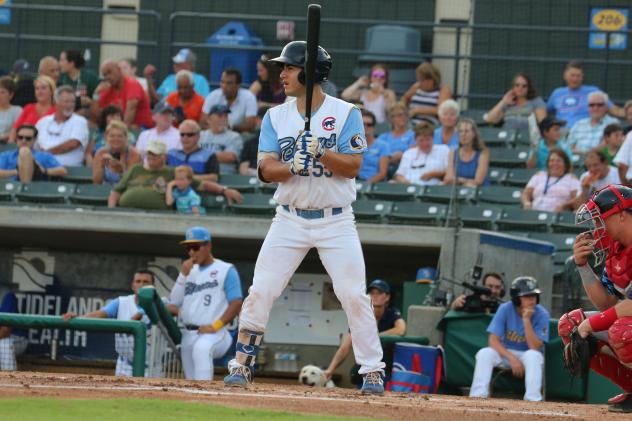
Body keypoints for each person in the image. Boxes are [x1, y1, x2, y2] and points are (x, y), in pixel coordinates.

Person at [223, 41, 387, 394]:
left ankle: (372, 370)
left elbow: (354, 166)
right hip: (289, 218)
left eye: (289, 67)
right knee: (262, 290)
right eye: (281, 68)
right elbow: (265, 169)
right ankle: (243, 363)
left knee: (353, 295)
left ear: (311, 73)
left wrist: (322, 152)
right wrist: (291, 165)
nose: (281, 74)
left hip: (336, 220)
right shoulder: (275, 116)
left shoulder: (346, 113)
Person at [559, 185, 632, 412]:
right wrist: (583, 266)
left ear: (622, 215)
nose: (597, 225)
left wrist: (589, 325)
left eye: (601, 218)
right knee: (570, 325)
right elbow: (608, 305)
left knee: (622, 331)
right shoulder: (617, 249)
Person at [167, 227, 243, 380]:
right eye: (188, 248)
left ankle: (206, 397)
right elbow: (173, 302)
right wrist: (183, 275)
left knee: (202, 349)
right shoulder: (188, 272)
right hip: (188, 333)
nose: (192, 253)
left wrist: (215, 326)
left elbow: (236, 302)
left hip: (215, 332)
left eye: (195, 247)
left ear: (208, 246)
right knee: (190, 379)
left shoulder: (225, 269)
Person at [62, 269, 158, 377]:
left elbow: (172, 309)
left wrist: (142, 311)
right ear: (133, 285)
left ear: (153, 287)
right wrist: (78, 318)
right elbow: (100, 314)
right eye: (138, 281)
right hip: (125, 367)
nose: (141, 285)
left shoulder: (161, 304)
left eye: (146, 282)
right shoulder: (121, 302)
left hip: (152, 369)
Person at [469, 276, 549, 401]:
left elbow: (535, 347)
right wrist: (511, 358)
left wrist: (526, 320)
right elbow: (493, 340)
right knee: (485, 353)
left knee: (534, 356)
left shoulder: (542, 313)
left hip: (527, 355)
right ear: (517, 299)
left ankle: (533, 400)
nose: (532, 300)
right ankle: (478, 396)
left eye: (534, 296)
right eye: (528, 296)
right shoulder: (505, 308)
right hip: (507, 354)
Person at [108, 140, 241, 211]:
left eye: (155, 154)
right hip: (127, 211)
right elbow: (116, 192)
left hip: (158, 216)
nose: (151, 157)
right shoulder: (136, 169)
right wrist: (111, 211)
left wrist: (224, 190)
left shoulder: (173, 172)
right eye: (149, 153)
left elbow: (202, 185)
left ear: (164, 156)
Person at [324, 279, 406, 386]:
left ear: (387, 297)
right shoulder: (360, 317)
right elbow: (345, 347)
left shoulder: (392, 312)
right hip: (365, 371)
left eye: (379, 293)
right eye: (372, 293)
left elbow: (401, 329)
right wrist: (330, 369)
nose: (375, 296)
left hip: (388, 371)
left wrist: (376, 336)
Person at [547, 61, 621, 129]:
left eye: (578, 76)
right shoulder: (557, 93)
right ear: (565, 76)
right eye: (572, 75)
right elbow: (545, 111)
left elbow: (615, 110)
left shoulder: (593, 91)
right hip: (560, 131)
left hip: (583, 131)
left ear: (582, 76)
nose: (575, 79)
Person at [35, 85, 89, 167]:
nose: (70, 105)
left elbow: (72, 144)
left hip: (68, 169)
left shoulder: (80, 121)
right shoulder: (43, 121)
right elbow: (34, 142)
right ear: (56, 103)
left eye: (72, 102)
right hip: (40, 165)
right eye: (66, 102)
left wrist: (45, 154)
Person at [95, 60, 153, 130]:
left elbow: (130, 111)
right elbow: (96, 116)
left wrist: (119, 130)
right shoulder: (107, 89)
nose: (108, 77)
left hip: (141, 129)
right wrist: (96, 94)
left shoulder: (132, 84)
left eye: (109, 72)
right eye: (105, 75)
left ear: (119, 70)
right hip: (117, 130)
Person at [0, 124, 67, 181]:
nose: (23, 140)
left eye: (28, 138)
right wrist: (19, 171)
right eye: (20, 137)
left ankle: (25, 189)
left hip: (35, 187)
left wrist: (44, 171)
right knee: (24, 152)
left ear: (34, 139)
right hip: (11, 187)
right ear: (16, 138)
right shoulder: (6, 155)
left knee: (25, 152)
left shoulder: (44, 156)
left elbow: (63, 171)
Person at [144, 48, 210, 104]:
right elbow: (157, 100)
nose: (175, 66)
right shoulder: (169, 79)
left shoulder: (201, 80)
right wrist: (148, 79)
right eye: (175, 63)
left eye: (179, 63)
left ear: (190, 65)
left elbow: (204, 104)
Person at [394, 121, 449, 186]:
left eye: (428, 139)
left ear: (433, 138)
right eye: (421, 140)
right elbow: (399, 175)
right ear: (415, 140)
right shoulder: (408, 153)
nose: (425, 143)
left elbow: (450, 173)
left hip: (434, 188)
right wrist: (404, 181)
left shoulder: (443, 149)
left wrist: (433, 174)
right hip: (411, 188)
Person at [202, 68, 257, 133]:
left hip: (239, 136)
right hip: (214, 135)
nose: (224, 86)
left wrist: (229, 127)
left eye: (229, 83)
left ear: (238, 85)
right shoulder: (213, 95)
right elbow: (202, 123)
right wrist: (218, 129)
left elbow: (251, 126)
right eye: (222, 82)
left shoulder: (249, 97)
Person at [401, 62, 452, 126]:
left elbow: (441, 109)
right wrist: (403, 109)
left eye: (424, 80)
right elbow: (405, 98)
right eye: (420, 79)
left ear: (433, 80)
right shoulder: (417, 86)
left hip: (429, 124)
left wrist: (416, 111)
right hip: (410, 120)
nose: (421, 82)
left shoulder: (443, 90)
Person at [443, 118, 490, 187]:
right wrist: (463, 181)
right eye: (460, 131)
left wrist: (460, 180)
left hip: (477, 190)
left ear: (474, 134)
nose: (463, 134)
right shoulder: (453, 152)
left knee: (470, 185)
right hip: (458, 188)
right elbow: (449, 178)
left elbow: (478, 181)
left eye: (467, 131)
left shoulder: (483, 153)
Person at [92, 120, 141, 185]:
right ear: (106, 137)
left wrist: (121, 171)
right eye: (112, 136)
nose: (116, 139)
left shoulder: (134, 154)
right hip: (105, 190)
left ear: (126, 137)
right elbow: (96, 182)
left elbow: (132, 183)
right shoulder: (100, 153)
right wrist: (101, 166)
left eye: (120, 136)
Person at [199, 105, 243, 175]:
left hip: (225, 175)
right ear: (209, 119)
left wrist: (202, 155)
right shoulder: (200, 135)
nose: (223, 119)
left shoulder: (234, 136)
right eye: (220, 116)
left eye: (225, 116)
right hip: (201, 174)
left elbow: (230, 157)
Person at [10, 75, 56, 142]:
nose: (39, 91)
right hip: (25, 146)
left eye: (43, 88)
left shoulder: (58, 110)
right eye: (37, 88)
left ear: (52, 91)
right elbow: (15, 129)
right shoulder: (28, 107)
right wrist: (11, 144)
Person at [376, 102, 415, 167]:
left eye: (405, 114)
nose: (403, 117)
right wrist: (392, 158)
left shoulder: (413, 135)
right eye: (399, 115)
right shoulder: (383, 137)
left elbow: (413, 155)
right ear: (392, 118)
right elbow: (375, 156)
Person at [357, 109, 389, 183]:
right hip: (354, 182)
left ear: (373, 127)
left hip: (374, 184)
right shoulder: (351, 145)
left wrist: (365, 185)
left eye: (369, 124)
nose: (365, 127)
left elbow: (382, 173)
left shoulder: (383, 146)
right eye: (363, 124)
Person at [0, 287, 28, 371]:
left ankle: (10, 377)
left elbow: (5, 331)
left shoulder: (6, 295)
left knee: (4, 343)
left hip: (17, 338)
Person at [239, 106, 269, 176]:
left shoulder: (282, 142)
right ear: (257, 120)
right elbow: (243, 168)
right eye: (264, 119)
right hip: (252, 177)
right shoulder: (249, 143)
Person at [0, 76, 22, 143]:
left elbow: (19, 130)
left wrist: (3, 137)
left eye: (2, 92)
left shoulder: (17, 110)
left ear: (11, 95)